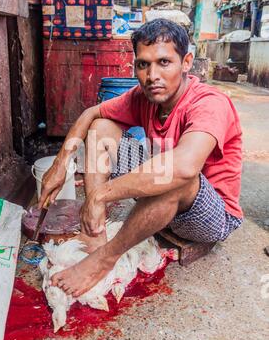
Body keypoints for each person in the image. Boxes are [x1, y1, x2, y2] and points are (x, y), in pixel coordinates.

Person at [39, 19, 243, 298]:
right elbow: (90, 114)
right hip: (166, 199)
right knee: (102, 127)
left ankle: (105, 258)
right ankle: (95, 233)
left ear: (186, 62)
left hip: (212, 217)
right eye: (143, 64)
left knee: (175, 173)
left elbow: (183, 167)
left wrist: (98, 196)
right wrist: (60, 164)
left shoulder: (208, 102)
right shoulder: (143, 96)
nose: (152, 75)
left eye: (164, 63)